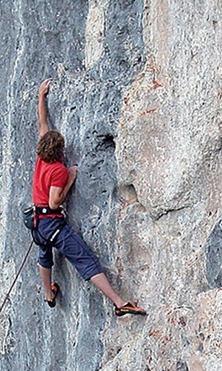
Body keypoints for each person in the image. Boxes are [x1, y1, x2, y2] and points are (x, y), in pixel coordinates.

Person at [32, 78, 146, 317]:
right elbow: (54, 202)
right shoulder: (59, 170)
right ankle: (119, 302)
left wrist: (41, 97)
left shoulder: (42, 158)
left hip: (36, 222)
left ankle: (48, 293)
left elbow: (43, 123)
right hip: (52, 223)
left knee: (44, 253)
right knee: (84, 259)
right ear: (60, 151)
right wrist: (71, 177)